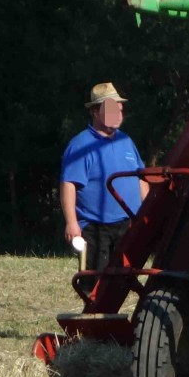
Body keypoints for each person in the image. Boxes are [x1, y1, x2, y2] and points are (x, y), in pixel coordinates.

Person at [60, 82, 149, 280]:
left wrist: (147, 213)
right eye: (111, 109)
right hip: (95, 227)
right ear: (94, 111)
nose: (118, 114)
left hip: (126, 224)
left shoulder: (126, 141)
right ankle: (91, 311)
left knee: (123, 282)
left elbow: (140, 178)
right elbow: (69, 184)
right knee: (95, 283)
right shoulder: (81, 145)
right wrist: (71, 223)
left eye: (119, 109)